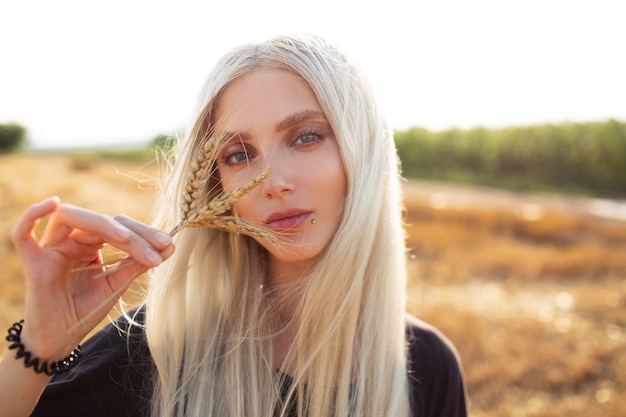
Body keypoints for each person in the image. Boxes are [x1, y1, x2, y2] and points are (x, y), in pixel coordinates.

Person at [0, 34, 468, 417]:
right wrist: (39, 348)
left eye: (306, 137)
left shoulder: (426, 366)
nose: (274, 182)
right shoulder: (155, 352)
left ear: (361, 150)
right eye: (239, 154)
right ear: (215, 183)